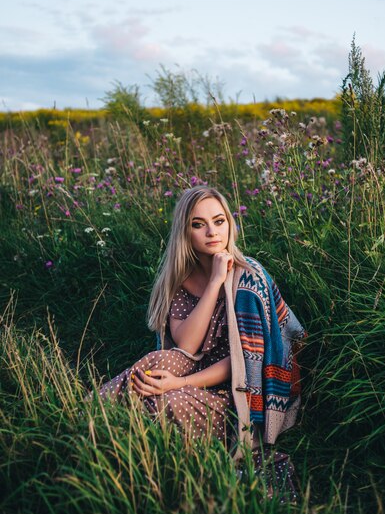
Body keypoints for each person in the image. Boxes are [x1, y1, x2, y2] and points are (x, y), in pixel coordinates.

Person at [86, 186, 306, 496]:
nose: (211, 231)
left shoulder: (249, 278)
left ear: (230, 223)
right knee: (156, 366)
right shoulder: (180, 280)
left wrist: (176, 385)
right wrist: (215, 281)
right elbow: (187, 347)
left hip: (237, 396)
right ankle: (92, 420)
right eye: (198, 224)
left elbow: (245, 362)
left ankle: (96, 426)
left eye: (219, 221)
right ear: (185, 231)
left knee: (165, 400)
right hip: (193, 379)